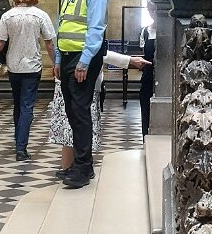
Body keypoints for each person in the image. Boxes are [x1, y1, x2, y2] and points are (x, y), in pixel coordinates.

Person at [54, 0, 110, 189]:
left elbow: (96, 28)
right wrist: (58, 58)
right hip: (67, 56)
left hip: (83, 57)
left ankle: (82, 166)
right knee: (72, 112)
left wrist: (85, 61)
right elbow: (62, 24)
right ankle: (83, 165)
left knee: (79, 111)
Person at [48, 48, 149, 179]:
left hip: (73, 77)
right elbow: (96, 50)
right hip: (80, 80)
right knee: (73, 132)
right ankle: (75, 170)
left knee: (74, 131)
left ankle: (78, 168)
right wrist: (129, 60)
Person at [0, 0, 55, 161]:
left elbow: (0, 44)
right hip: (32, 65)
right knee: (27, 105)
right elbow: (49, 43)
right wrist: (56, 63)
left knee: (18, 103)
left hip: (13, 65)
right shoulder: (40, 15)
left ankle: (18, 141)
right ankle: (21, 148)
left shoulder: (7, 16)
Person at [139, 0, 157, 136]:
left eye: (155, 9)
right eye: (150, 9)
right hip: (148, 74)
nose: (153, 12)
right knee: (146, 108)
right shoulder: (146, 31)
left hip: (164, 75)